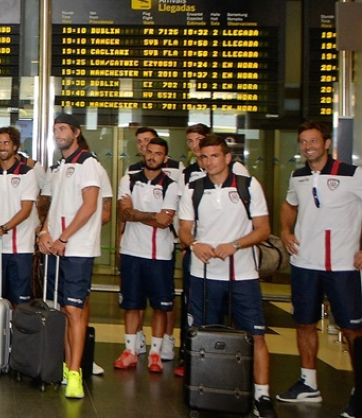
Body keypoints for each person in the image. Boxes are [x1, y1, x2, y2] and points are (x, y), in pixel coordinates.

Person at [178, 134, 275, 418]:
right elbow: (185, 228)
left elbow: (263, 229)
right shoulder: (193, 188)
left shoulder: (247, 185)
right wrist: (195, 244)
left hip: (242, 274)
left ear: (227, 158)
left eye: (215, 156)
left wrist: (234, 245)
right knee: (202, 336)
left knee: (255, 336)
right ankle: (202, 391)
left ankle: (262, 396)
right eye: (204, 157)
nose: (209, 162)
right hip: (203, 274)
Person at [277, 122, 362, 415]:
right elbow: (289, 205)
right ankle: (308, 384)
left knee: (352, 329)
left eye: (313, 140)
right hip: (304, 263)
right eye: (302, 141)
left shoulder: (351, 174)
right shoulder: (297, 176)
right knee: (304, 323)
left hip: (342, 265)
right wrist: (286, 231)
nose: (307, 146)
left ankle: (360, 389)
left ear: (326, 143)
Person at [37, 113, 103, 399]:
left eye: (63, 129)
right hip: (58, 248)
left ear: (76, 132)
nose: (58, 133)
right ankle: (66, 367)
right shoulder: (60, 166)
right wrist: (44, 233)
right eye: (55, 130)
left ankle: (75, 373)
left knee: (74, 311)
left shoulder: (88, 163)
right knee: (64, 310)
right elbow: (52, 207)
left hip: (78, 248)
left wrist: (64, 237)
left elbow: (89, 207)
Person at [113, 137, 181, 373]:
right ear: (144, 154)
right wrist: (151, 215)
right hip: (132, 251)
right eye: (149, 152)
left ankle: (155, 354)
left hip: (160, 254)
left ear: (165, 157)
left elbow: (165, 222)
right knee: (132, 305)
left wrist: (137, 213)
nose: (152, 157)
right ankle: (130, 351)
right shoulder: (129, 179)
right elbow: (124, 214)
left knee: (160, 307)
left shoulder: (172, 184)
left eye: (158, 153)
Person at [0, 126, 38, 307]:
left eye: (7, 143)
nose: (2, 147)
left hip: (21, 248)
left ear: (15, 146)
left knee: (20, 299)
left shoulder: (27, 173)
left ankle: (17, 334)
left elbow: (26, 209)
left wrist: (3, 228)